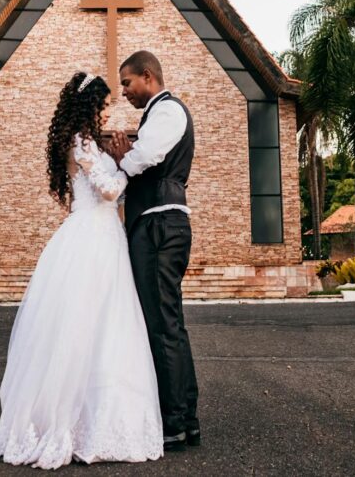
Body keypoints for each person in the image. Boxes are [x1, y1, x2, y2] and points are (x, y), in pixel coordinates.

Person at [0, 71, 162, 470]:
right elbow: (107, 190)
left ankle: (98, 420)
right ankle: (69, 424)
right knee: (86, 324)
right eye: (104, 105)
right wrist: (127, 166)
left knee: (106, 326)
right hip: (92, 237)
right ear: (90, 106)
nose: (108, 112)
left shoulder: (83, 141)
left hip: (104, 235)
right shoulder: (82, 142)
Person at [108, 50, 201, 452]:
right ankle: (185, 420)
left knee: (162, 325)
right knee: (167, 324)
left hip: (161, 227)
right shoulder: (155, 114)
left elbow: (147, 156)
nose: (124, 91)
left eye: (127, 83)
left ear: (148, 76)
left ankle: (176, 422)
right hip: (157, 224)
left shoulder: (168, 111)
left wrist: (119, 162)